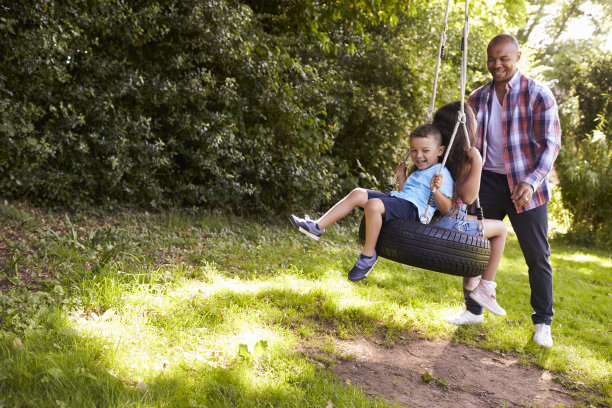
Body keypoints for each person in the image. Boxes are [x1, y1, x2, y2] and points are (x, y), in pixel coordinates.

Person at [444, 34, 561, 348]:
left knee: (537, 257)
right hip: (487, 183)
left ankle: (542, 323)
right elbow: (466, 144)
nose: (497, 65)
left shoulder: (539, 94)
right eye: (492, 59)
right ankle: (473, 309)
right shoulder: (477, 97)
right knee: (472, 246)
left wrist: (532, 181)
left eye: (504, 59)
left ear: (518, 57)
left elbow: (551, 147)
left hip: (525, 184)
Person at [289, 124, 454, 282]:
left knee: (373, 205)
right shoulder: (419, 171)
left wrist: (436, 189)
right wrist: (402, 176)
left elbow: (446, 208)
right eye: (414, 150)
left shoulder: (441, 174)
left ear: (440, 151)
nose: (418, 155)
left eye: (425, 150)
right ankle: (317, 227)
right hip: (401, 201)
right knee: (357, 193)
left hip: (415, 211)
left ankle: (367, 257)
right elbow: (406, 193)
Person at [431, 102, 508, 317]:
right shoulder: (465, 158)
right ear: (465, 128)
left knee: (478, 223)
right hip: (449, 224)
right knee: (500, 229)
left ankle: (474, 276)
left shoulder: (433, 153)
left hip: (428, 220)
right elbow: (468, 197)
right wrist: (478, 163)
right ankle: (486, 287)